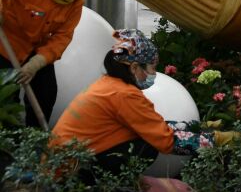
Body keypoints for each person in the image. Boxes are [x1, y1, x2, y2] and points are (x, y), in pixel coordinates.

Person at [51, 29, 224, 182]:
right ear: (134, 67)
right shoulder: (124, 95)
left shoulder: (108, 84)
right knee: (147, 146)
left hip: (61, 164)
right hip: (70, 172)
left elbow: (155, 127)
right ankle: (107, 186)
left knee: (145, 137)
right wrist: (216, 141)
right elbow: (165, 140)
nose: (153, 74)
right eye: (151, 68)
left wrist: (198, 127)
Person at [0, 0, 98, 127]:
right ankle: (9, 148)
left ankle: (35, 142)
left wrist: (37, 63)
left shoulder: (75, 2)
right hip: (4, 43)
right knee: (6, 100)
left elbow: (63, 37)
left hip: (37, 49)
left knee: (46, 92)